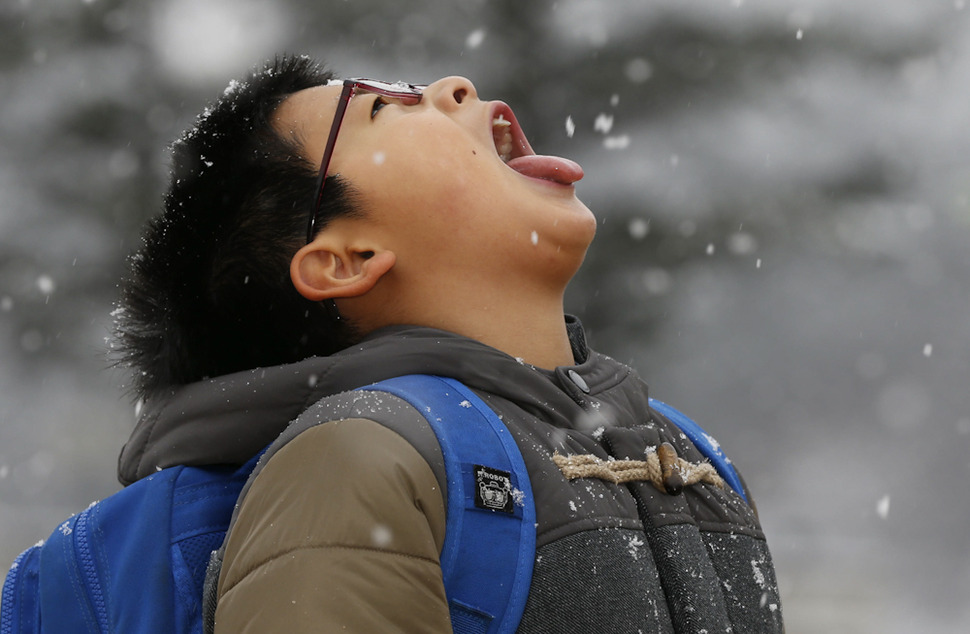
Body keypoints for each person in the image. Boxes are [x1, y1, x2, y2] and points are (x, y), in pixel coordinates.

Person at [114, 54, 784, 634]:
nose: (455, 88)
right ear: (346, 258)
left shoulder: (687, 451)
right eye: (382, 108)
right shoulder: (356, 459)